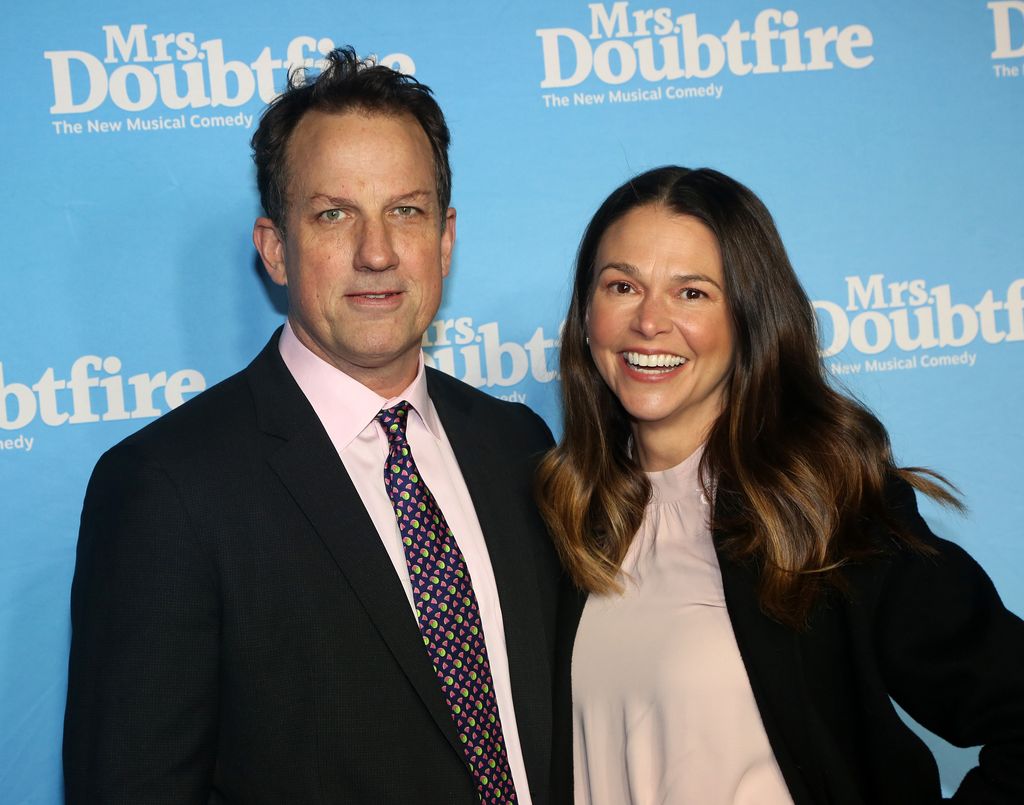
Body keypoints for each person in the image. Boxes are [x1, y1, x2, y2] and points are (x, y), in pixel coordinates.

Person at [63, 47, 561, 804]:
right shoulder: (167, 487)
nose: (377, 252)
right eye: (334, 215)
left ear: (446, 238)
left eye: (407, 210)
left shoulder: (518, 447)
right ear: (275, 249)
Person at [537, 166, 1024, 804]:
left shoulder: (824, 508)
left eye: (692, 293)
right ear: (587, 312)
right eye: (622, 285)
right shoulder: (559, 520)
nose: (649, 321)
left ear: (749, 318)